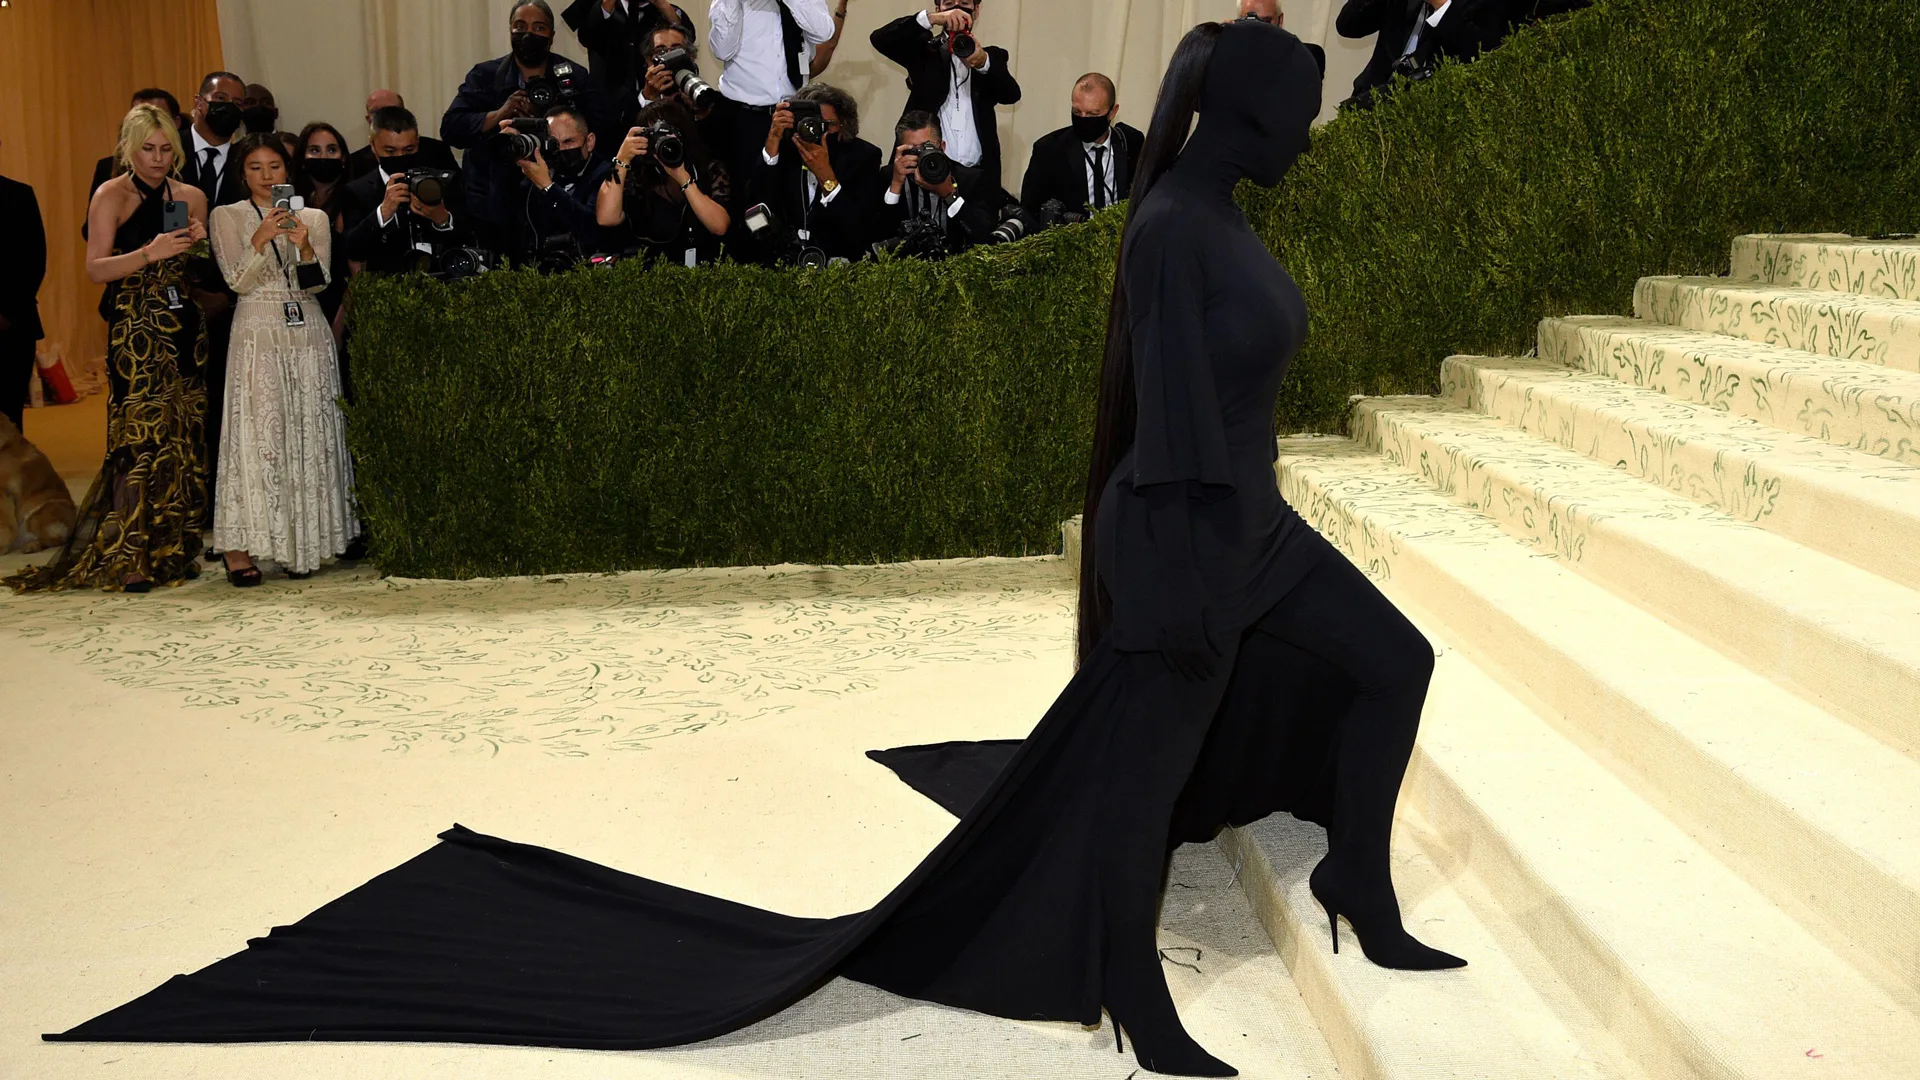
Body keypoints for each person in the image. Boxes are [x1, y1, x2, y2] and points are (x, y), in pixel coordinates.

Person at [34, 28, 1466, 1077]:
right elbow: (1160, 430)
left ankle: (1360, 885)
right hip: (1198, 542)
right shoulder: (1169, 229)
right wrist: (1180, 594)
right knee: (1130, 784)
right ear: (1252, 119)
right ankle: (1130, 997)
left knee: (1394, 662)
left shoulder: (1219, 215)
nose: (1311, 121)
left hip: (1253, 527)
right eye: (1303, 105)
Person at [9, 105, 210, 594]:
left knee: (181, 434)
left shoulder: (192, 196)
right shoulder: (111, 195)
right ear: (128, 148)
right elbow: (96, 268)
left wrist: (199, 244)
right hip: (135, 329)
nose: (159, 159)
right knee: (136, 438)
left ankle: (173, 545)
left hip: (183, 325)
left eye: (166, 149)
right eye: (148, 149)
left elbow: (199, 269)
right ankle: (131, 552)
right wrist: (148, 252)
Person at [206, 134, 359, 586]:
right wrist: (261, 238)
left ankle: (301, 543)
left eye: (274, 166)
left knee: (307, 427)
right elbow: (236, 281)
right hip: (256, 330)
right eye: (255, 167)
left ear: (287, 171)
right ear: (242, 173)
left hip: (306, 328)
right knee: (258, 429)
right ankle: (240, 547)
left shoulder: (312, 216)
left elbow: (318, 283)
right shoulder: (226, 216)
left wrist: (305, 246)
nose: (266, 175)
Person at [441, 0, 616, 258]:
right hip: (492, 198)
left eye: (538, 28)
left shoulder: (573, 77)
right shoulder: (485, 76)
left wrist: (555, 116)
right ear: (510, 30)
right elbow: (451, 129)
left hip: (556, 195)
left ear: (552, 36)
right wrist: (500, 114)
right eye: (520, 26)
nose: (528, 34)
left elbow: (602, 130)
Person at [180, 71, 250, 521]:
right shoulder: (164, 152)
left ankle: (218, 506)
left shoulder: (252, 158)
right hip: (170, 304)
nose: (227, 107)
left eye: (236, 103)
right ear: (199, 102)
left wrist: (223, 292)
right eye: (219, 98)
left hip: (234, 304)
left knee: (225, 406)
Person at [871, 0, 1022, 191]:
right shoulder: (923, 50)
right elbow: (880, 39)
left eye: (965, 3)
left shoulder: (992, 56)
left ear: (976, 11)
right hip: (923, 169)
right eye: (949, 3)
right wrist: (932, 19)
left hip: (977, 176)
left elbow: (1011, 95)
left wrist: (982, 62)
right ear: (938, 8)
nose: (957, 9)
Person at [740, 82, 879, 264]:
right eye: (807, 122)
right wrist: (773, 139)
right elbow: (756, 205)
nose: (814, 130)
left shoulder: (863, 157)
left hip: (837, 267)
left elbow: (858, 230)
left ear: (843, 125)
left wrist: (826, 177)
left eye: (825, 125)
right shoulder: (783, 151)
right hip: (782, 264)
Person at [706, 0, 836, 183]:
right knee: (747, 196)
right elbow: (722, 50)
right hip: (744, 118)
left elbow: (823, 33)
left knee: (793, 194)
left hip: (794, 114)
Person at [598, 98, 732, 265]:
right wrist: (621, 159)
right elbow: (606, 218)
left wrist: (682, 176)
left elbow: (719, 226)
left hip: (705, 270)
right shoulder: (638, 174)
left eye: (667, 133)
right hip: (652, 272)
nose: (661, 141)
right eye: (654, 136)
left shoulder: (709, 168)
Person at [875, 110, 1008, 257]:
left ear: (942, 146)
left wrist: (949, 195)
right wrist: (895, 186)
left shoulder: (970, 179)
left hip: (955, 267)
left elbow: (982, 236)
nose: (921, 156)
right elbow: (879, 236)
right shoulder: (890, 176)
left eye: (926, 147)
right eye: (913, 150)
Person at [1018, 72, 1143, 222]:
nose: (1083, 119)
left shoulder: (1131, 142)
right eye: (1076, 112)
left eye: (1092, 114)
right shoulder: (1049, 150)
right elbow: (1030, 210)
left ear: (1113, 112)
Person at [1336, 0, 1502, 109]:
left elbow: (1485, 52)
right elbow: (1348, 25)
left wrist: (1441, 5)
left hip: (1440, 119)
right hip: (1370, 104)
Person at [504, 104, 614, 265]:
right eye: (554, 143)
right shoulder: (536, 172)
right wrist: (503, 156)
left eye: (568, 141)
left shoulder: (607, 172)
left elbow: (591, 230)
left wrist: (548, 187)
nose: (561, 149)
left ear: (589, 142)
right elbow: (502, 219)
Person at [560, 0, 692, 102]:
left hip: (657, 98)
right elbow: (588, 38)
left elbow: (687, 38)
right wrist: (607, 4)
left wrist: (661, 3)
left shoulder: (660, 10)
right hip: (609, 102)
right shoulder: (601, 8)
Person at [0, 146, 45, 432]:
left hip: (11, 326)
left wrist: (6, 313)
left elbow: (33, 262)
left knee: (9, 416)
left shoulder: (18, 195)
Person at [293, 123, 353, 332]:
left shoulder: (353, 198)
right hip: (300, 305)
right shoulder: (292, 201)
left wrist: (340, 321)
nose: (324, 157)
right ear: (302, 159)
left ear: (343, 157)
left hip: (341, 307)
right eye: (315, 150)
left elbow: (356, 272)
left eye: (331, 150)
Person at [89, 89, 182, 205]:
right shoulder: (107, 181)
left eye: (166, 149)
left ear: (175, 122)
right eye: (139, 117)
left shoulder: (189, 187)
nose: (158, 158)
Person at [346, 91, 458, 181]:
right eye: (390, 151)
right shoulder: (356, 163)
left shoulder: (437, 151)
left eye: (392, 110)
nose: (384, 117)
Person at [1235, 0, 1326, 76]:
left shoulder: (1305, 57)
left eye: (1266, 21)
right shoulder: (1229, 56)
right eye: (1250, 21)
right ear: (1238, 22)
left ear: (1280, 20)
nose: (1259, 28)